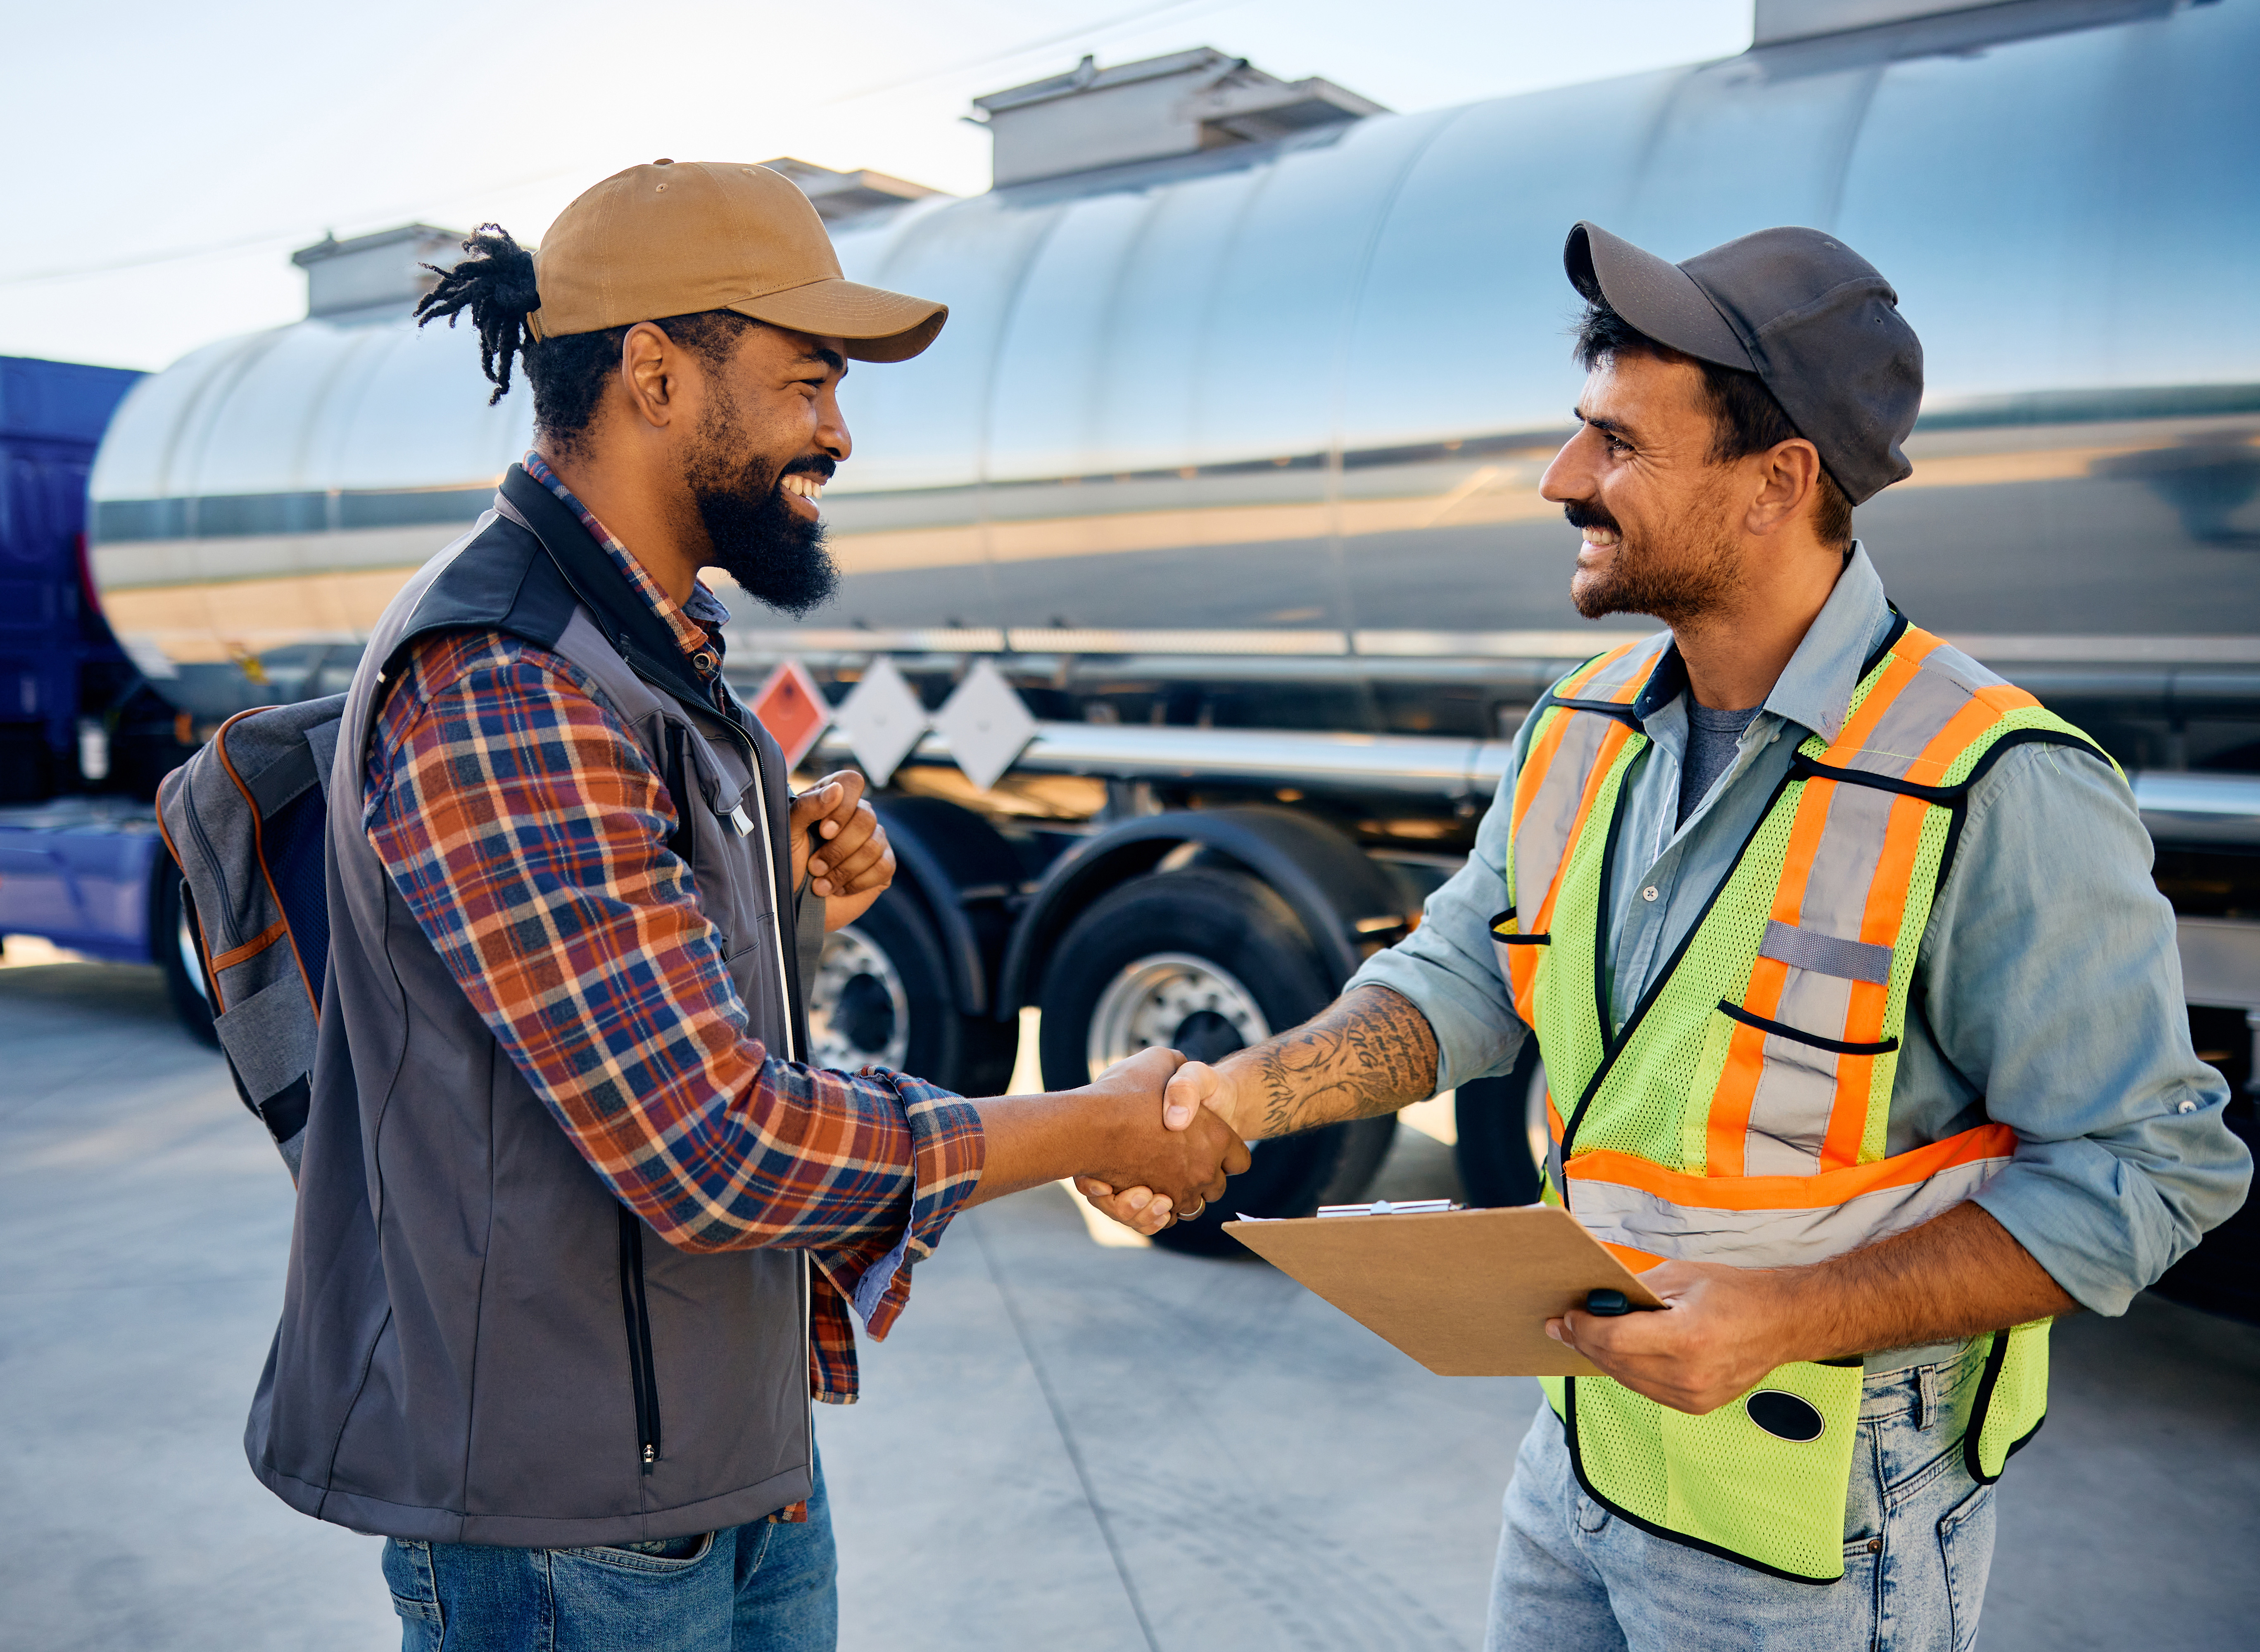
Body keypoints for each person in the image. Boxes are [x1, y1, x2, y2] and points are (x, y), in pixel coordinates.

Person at [1081, 221, 2253, 1649]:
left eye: (1618, 445)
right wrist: (1231, 1102)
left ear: (1778, 482)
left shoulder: (1996, 784)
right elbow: (1465, 977)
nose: (1561, 478)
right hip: (1578, 1451)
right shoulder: (1580, 720)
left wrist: (1789, 1314)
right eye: (1581, 434)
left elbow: (2149, 1169)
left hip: (1826, 1508)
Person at [247, 161, 1248, 1652]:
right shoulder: (512, 679)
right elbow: (710, 1148)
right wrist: (1082, 1125)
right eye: (806, 383)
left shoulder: (657, 648)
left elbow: (655, 1033)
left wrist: (784, 899)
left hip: (724, 1457)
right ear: (653, 372)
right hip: (573, 1525)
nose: (837, 433)